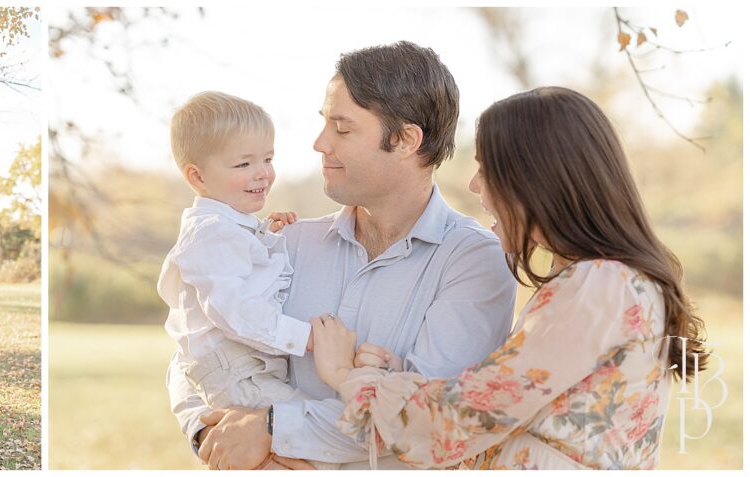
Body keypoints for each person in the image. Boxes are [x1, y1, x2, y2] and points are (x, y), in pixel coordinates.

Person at [311, 86, 708, 470]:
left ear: (536, 181)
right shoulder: (602, 283)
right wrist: (396, 379)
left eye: (487, 168)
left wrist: (347, 377)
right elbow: (505, 418)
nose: (473, 184)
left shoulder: (599, 286)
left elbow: (470, 415)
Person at [168, 41, 518, 470]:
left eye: (342, 128)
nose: (319, 143)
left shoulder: (474, 261)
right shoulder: (289, 242)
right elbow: (195, 347)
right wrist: (209, 432)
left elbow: (428, 421)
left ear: (406, 139)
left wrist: (272, 430)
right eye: (324, 125)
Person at [158, 91, 332, 470]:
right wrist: (305, 337)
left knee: (299, 444)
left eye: (268, 159)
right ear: (197, 175)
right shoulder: (210, 234)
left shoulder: (232, 228)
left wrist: (270, 238)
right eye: (243, 163)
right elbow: (235, 311)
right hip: (237, 370)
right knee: (303, 440)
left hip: (250, 366)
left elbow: (259, 280)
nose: (262, 173)